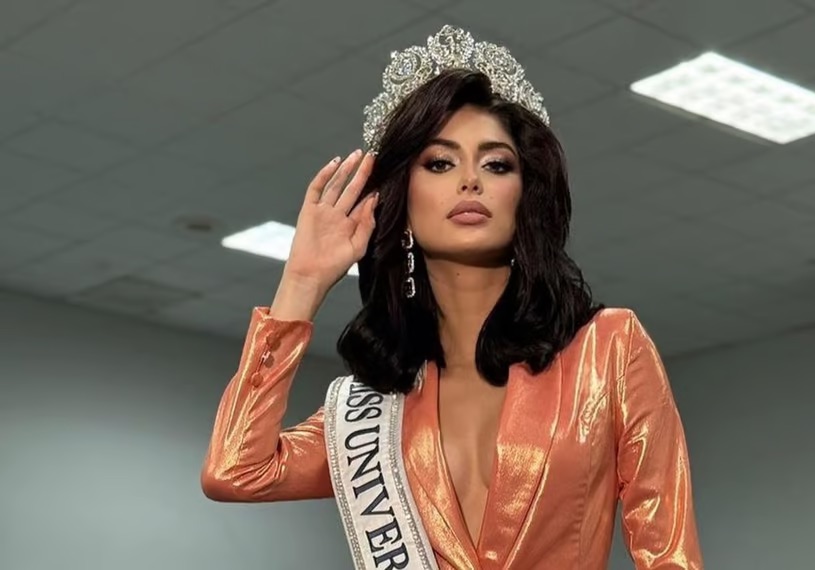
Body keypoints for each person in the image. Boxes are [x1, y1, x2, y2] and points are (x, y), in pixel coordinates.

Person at [201, 25, 702, 570]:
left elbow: (669, 555)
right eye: (440, 163)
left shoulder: (608, 349)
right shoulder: (379, 404)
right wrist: (301, 284)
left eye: (496, 164)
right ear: (402, 198)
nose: (470, 181)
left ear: (525, 197)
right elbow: (236, 471)